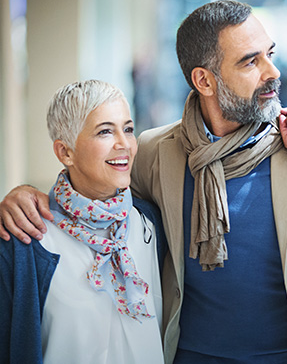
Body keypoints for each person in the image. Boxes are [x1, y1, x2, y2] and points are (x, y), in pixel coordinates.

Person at [0, 0, 287, 364]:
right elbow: (98, 200)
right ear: (203, 80)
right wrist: (29, 196)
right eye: (250, 61)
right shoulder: (155, 152)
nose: (272, 71)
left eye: (271, 53)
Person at [0, 80, 168, 364]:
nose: (124, 144)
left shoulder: (152, 223)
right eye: (105, 131)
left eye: (128, 129)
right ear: (65, 152)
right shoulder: (25, 240)